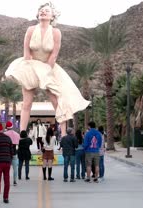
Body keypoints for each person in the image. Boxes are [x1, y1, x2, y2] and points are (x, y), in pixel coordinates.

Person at [5, 2, 90, 137]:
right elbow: (27, 53)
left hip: (49, 68)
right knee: (26, 103)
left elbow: (54, 55)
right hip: (31, 66)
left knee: (57, 102)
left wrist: (45, 73)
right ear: (38, 14)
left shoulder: (56, 32)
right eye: (41, 10)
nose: (43, 12)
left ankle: (63, 135)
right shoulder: (31, 30)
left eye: (47, 11)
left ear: (52, 16)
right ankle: (22, 135)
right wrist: (29, 70)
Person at [4, 121, 20, 186]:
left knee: (7, 169)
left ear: (6, 127)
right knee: (15, 168)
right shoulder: (16, 134)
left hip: (6, 154)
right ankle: (15, 181)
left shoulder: (4, 134)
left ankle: (6, 181)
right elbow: (18, 143)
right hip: (14, 153)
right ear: (12, 126)